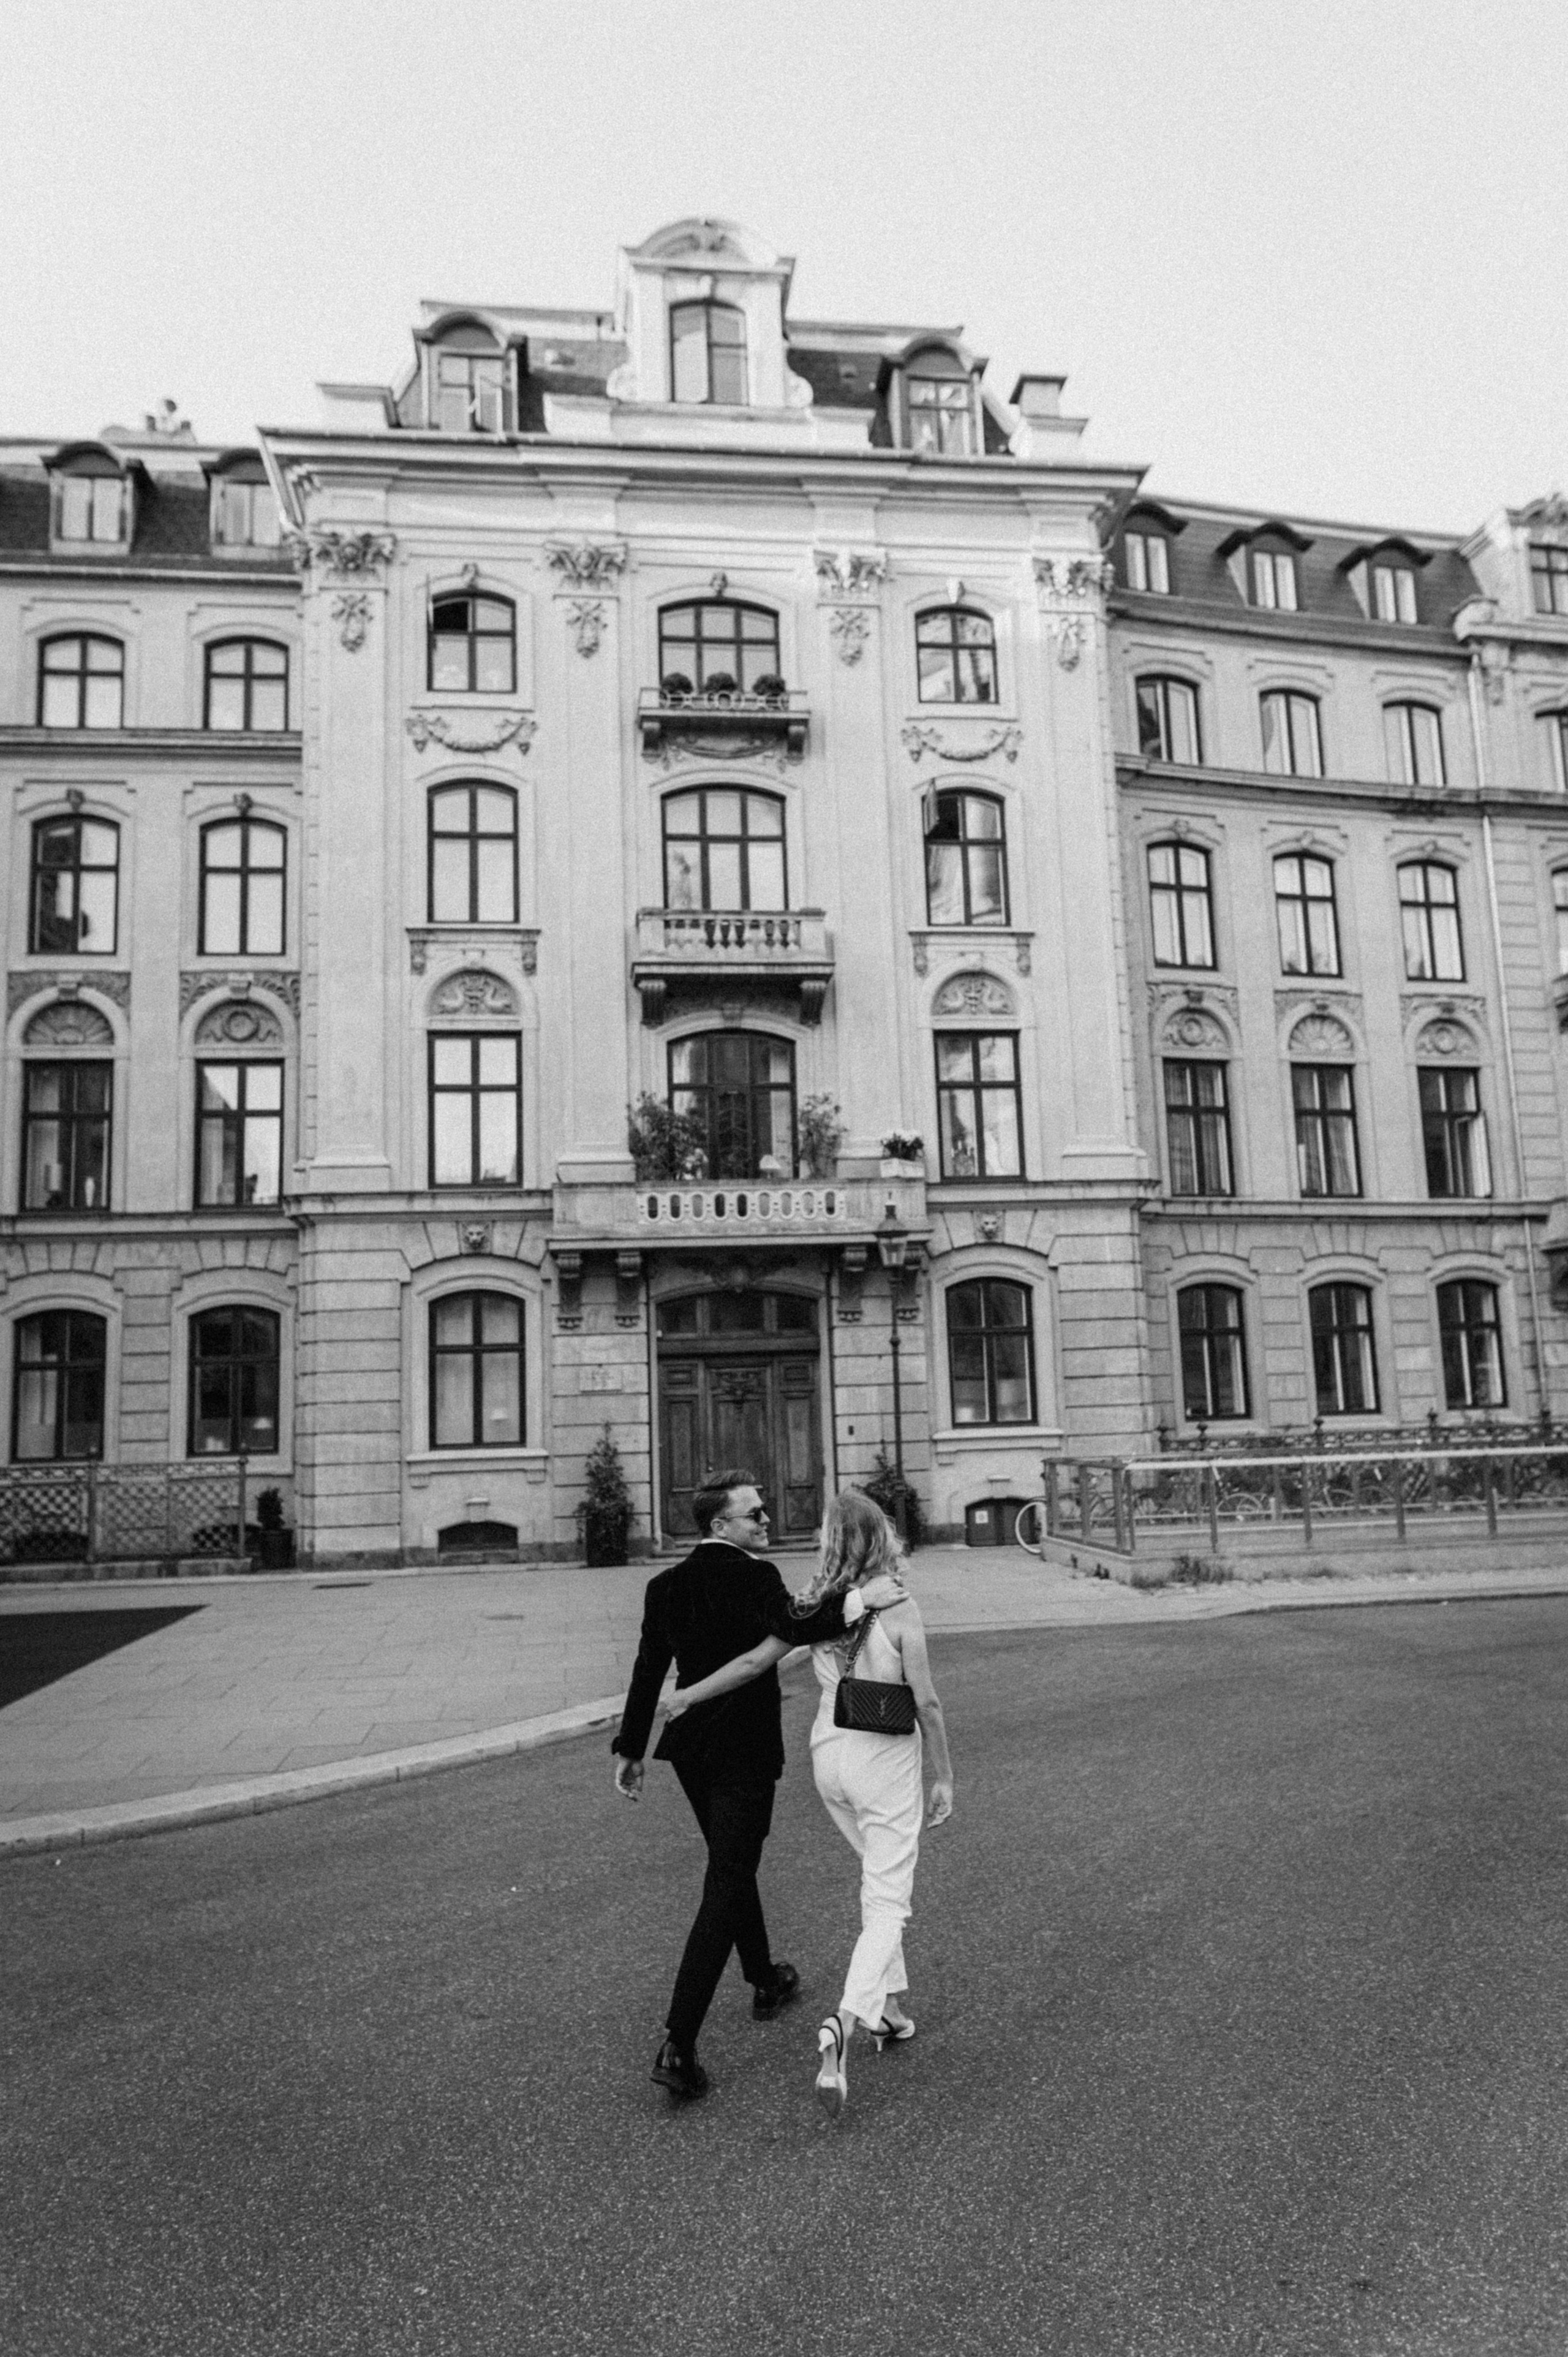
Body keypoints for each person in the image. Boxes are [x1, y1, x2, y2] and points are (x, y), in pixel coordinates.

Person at [612, 1468, 905, 2102]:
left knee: (730, 1862)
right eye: (755, 1514)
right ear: (721, 1525)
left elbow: (647, 1669)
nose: (767, 1521)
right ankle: (678, 2042)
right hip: (743, 1752)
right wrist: (861, 1599)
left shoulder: (665, 1585)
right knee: (726, 1878)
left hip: (690, 1751)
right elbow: (799, 1626)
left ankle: (764, 1976)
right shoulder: (755, 1577)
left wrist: (631, 1747)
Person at [665, 1488, 952, 2120]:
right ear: (883, 1539)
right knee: (888, 1900)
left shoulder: (815, 1602)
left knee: (875, 1875)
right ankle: (846, 2022)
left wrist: (686, 1696)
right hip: (884, 1762)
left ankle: (889, 2008)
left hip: (829, 1762)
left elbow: (753, 1662)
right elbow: (927, 1703)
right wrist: (944, 1776)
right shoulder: (899, 1606)